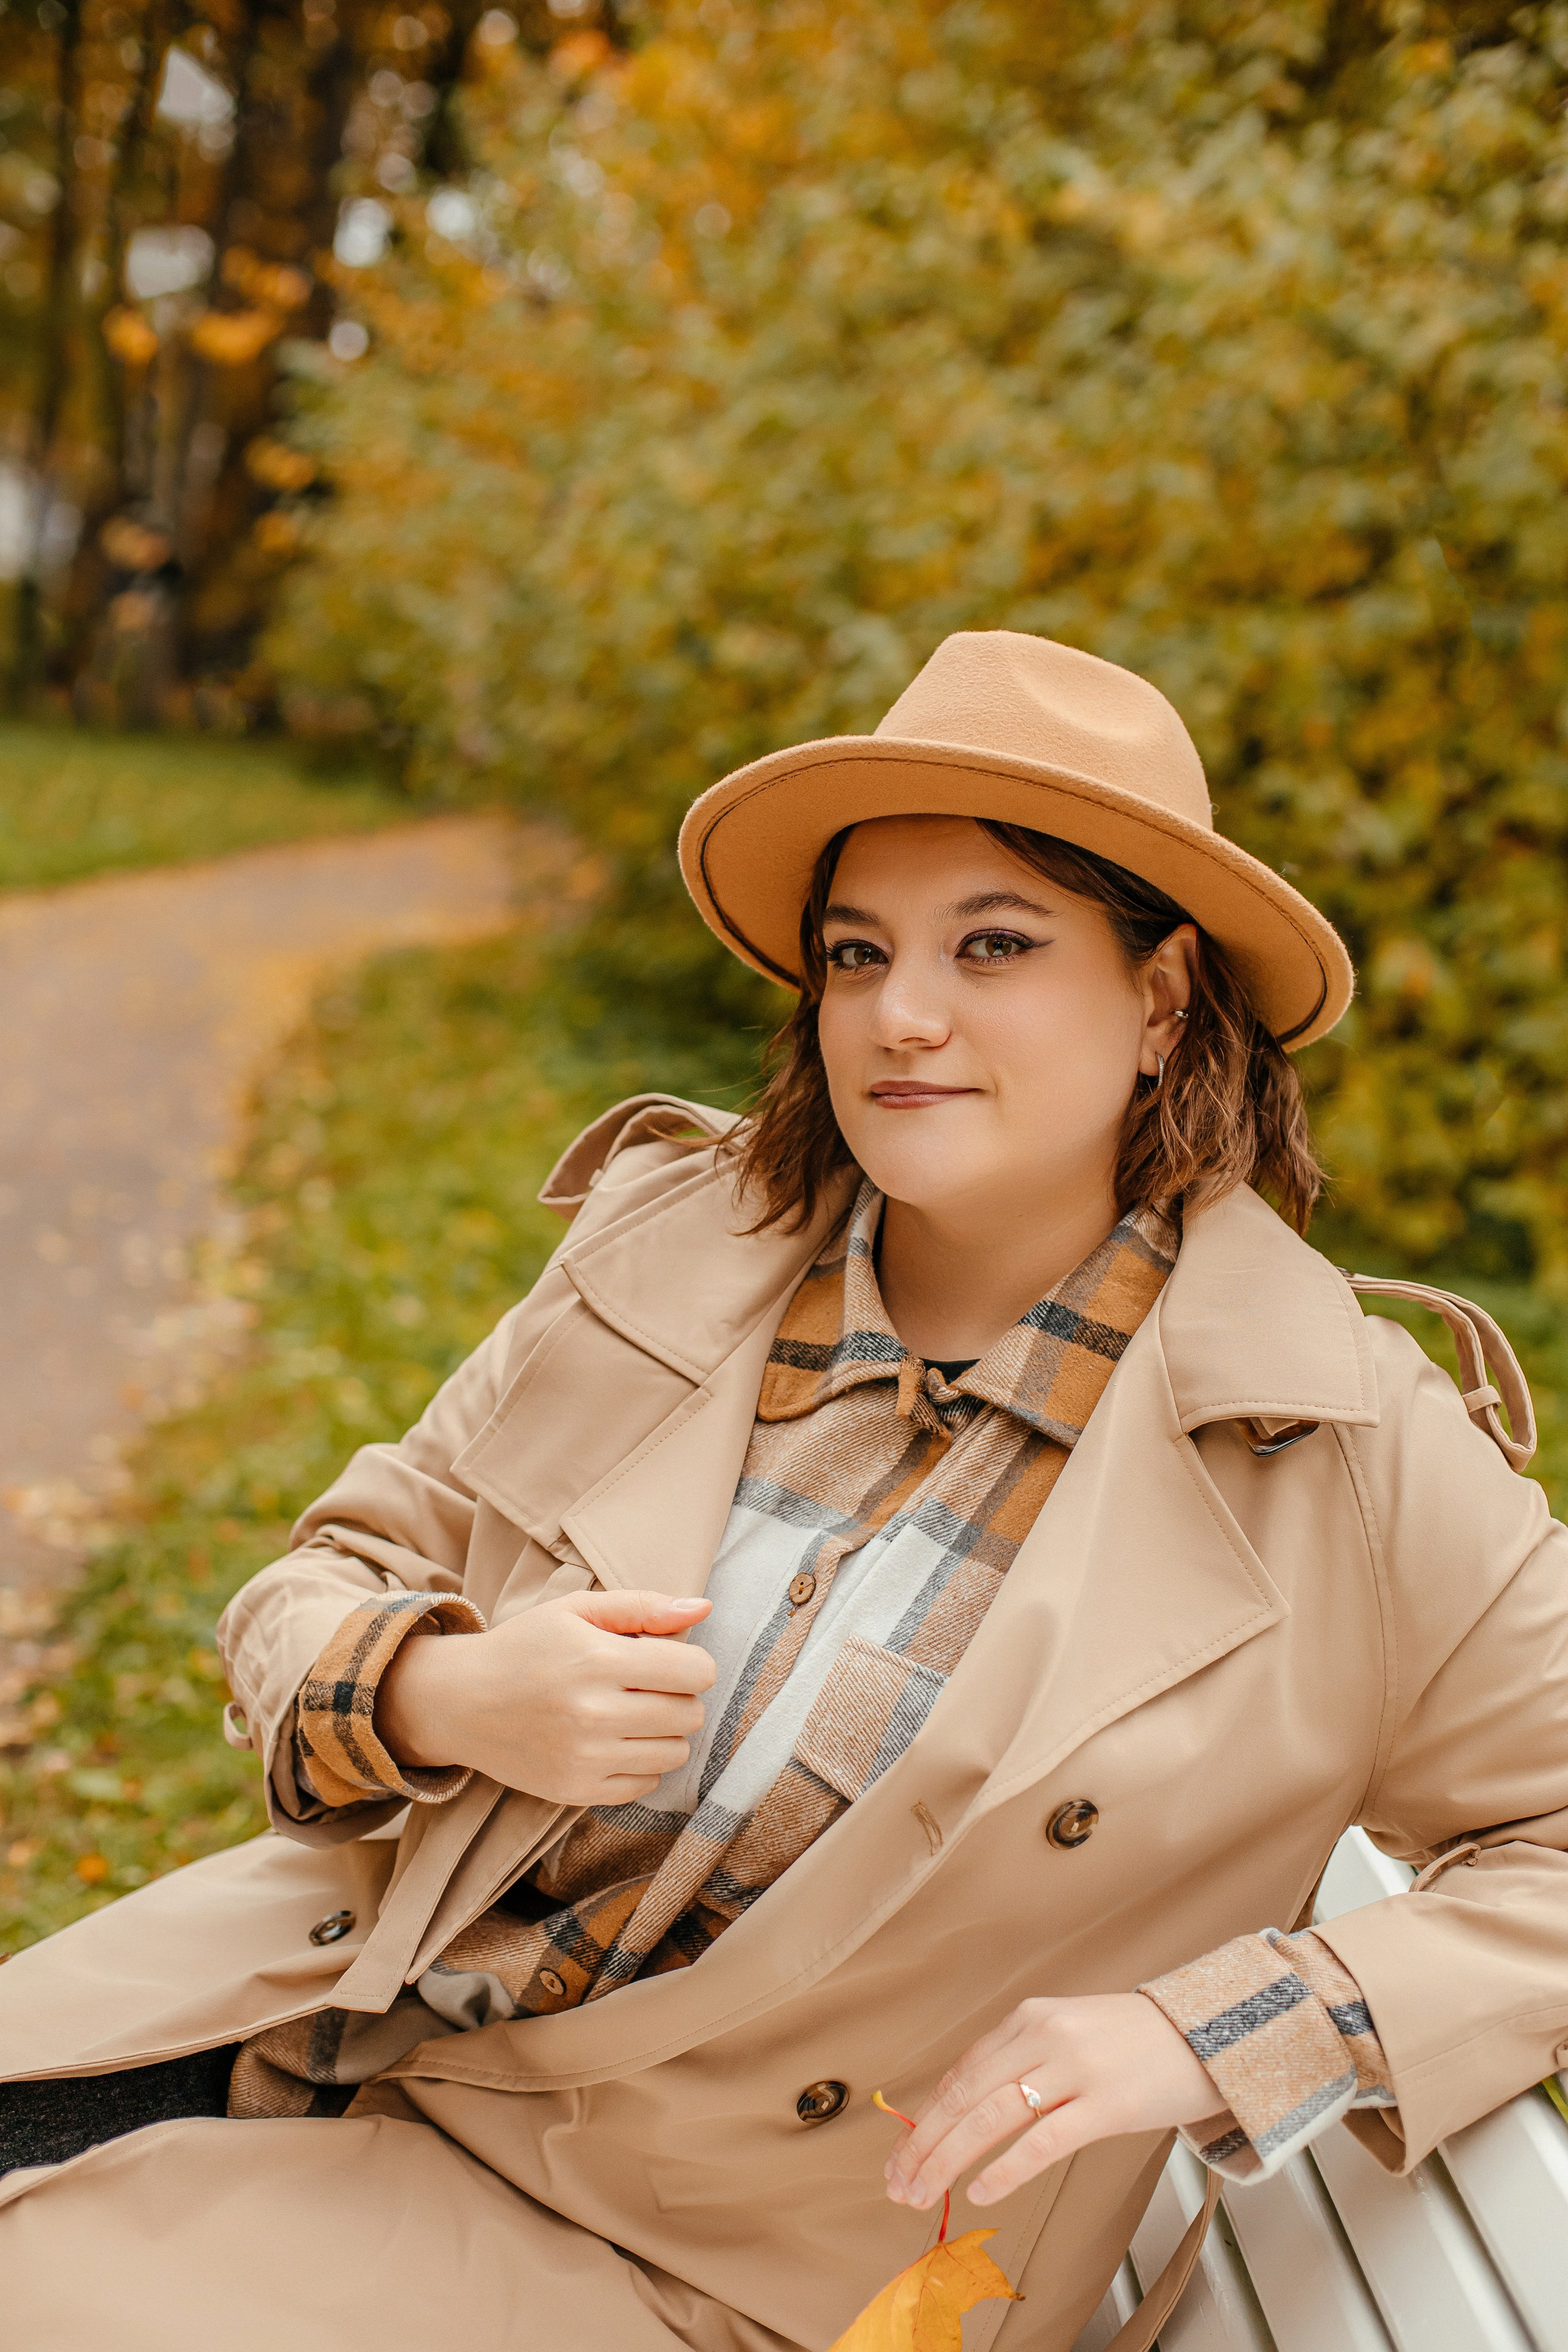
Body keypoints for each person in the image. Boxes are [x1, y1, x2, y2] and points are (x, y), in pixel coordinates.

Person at [2, 630, 1565, 2352]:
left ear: (1163, 999)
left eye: (996, 945)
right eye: (856, 953)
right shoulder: (680, 1250)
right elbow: (333, 1570)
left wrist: (1216, 2031)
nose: (902, 1015)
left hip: (729, 2272)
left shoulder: (1343, 1447)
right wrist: (447, 1690)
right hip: (338, 2036)